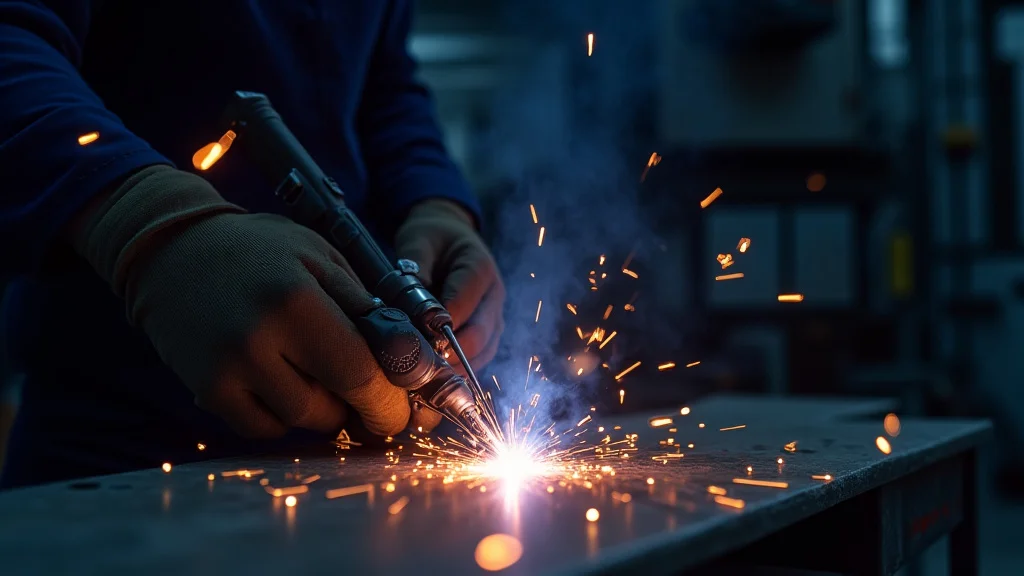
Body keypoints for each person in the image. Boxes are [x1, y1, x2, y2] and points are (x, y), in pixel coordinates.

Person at [0, 1, 505, 488]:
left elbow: (384, 82)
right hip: (116, 436)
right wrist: (141, 220)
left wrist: (435, 200)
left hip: (353, 451)